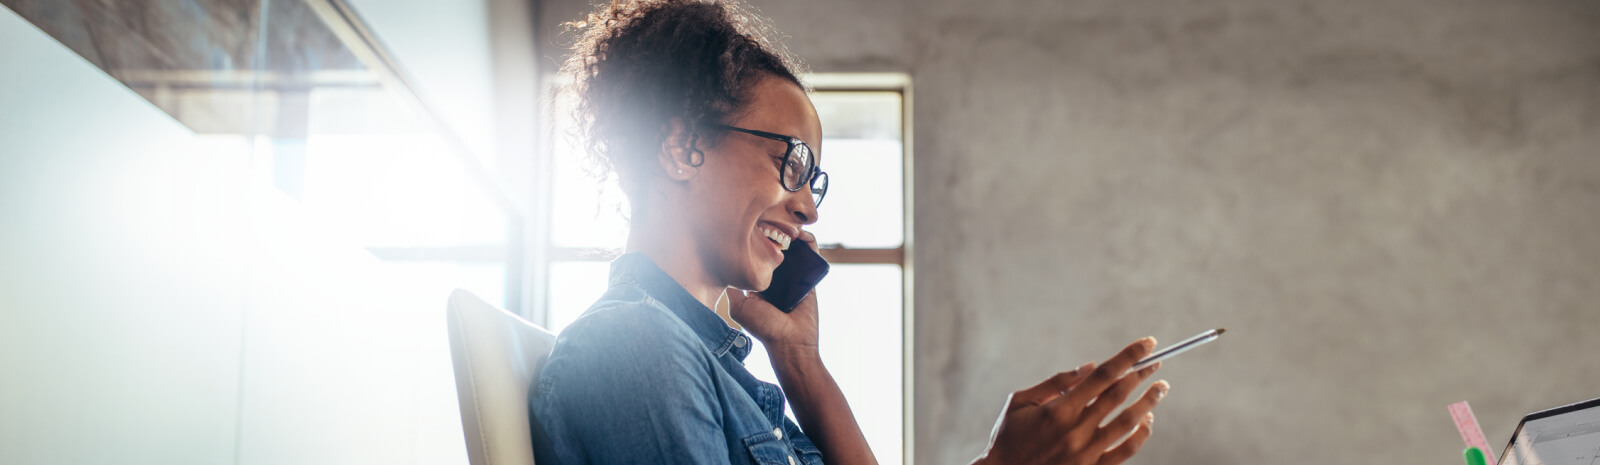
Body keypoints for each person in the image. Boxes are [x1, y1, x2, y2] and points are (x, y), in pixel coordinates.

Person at [528, 1, 1171, 464]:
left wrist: (802, 363)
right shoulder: (634, 349)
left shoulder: (721, 372)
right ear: (681, 148)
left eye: (816, 179)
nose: (808, 208)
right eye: (793, 162)